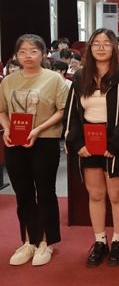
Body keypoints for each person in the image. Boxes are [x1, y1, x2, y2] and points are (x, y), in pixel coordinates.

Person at [63, 29, 119, 268]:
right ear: (90, 48)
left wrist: (115, 144)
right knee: (95, 194)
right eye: (96, 43)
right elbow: (72, 113)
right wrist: (78, 143)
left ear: (114, 48)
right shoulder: (80, 77)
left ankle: (117, 240)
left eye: (107, 43)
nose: (101, 47)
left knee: (116, 195)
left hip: (116, 142)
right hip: (88, 141)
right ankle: (99, 241)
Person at [0, 34, 68, 266]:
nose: (27, 56)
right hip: (15, 142)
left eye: (33, 51)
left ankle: (45, 242)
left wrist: (38, 130)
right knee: (23, 193)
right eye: (22, 52)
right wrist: (7, 128)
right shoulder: (8, 81)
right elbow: (2, 110)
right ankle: (29, 241)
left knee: (45, 191)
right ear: (16, 55)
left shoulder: (54, 79)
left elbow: (62, 110)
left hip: (45, 141)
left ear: (43, 54)